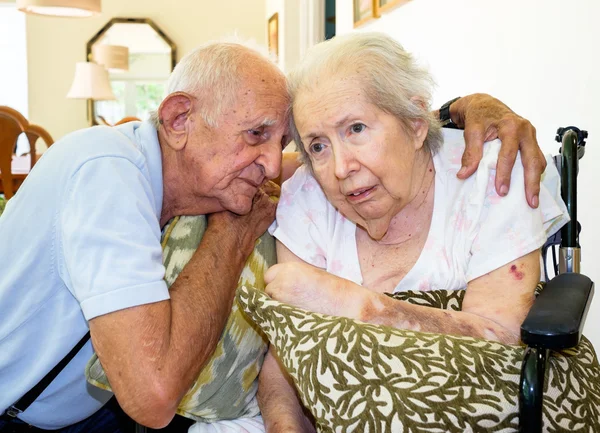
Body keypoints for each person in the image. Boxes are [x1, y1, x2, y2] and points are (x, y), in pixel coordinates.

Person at [0, 36, 547, 432]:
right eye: (258, 135)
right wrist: (234, 231)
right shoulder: (105, 175)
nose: (271, 162)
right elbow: (155, 396)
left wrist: (467, 107)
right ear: (179, 120)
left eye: (281, 139)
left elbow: (371, 128)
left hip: (88, 410)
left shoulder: (193, 171)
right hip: (28, 416)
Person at [259, 32, 568, 432]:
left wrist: (353, 304)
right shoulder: (307, 199)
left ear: (416, 123)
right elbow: (283, 362)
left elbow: (505, 350)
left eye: (356, 128)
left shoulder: (492, 179)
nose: (339, 168)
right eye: (318, 146)